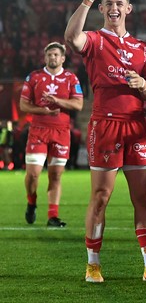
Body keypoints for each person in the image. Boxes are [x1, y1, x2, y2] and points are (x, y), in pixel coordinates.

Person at [64, 0, 146, 284]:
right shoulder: (96, 40)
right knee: (101, 196)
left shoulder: (142, 49)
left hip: (136, 126)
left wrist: (143, 86)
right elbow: (71, 37)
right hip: (106, 125)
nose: (114, 8)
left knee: (143, 198)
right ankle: (93, 265)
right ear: (102, 8)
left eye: (119, 4)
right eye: (108, 3)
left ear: (129, 8)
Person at [20, 42, 84, 227]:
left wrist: (57, 100)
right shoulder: (34, 77)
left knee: (55, 175)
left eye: (56, 55)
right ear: (45, 57)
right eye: (49, 55)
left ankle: (52, 216)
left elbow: (78, 105)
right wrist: (44, 111)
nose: (52, 58)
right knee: (33, 175)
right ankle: (31, 202)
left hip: (61, 132)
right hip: (38, 130)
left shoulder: (71, 78)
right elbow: (24, 105)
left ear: (63, 58)